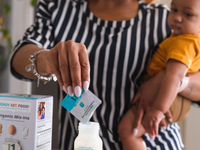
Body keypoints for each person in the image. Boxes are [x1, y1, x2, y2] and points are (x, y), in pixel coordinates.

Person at [10, 0, 200, 149]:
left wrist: (170, 81)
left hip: (154, 142)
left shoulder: (168, 19)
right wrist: (47, 60)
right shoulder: (58, 9)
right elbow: (19, 59)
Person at [117, 0, 200, 149]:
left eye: (188, 14)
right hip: (170, 98)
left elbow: (174, 77)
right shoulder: (185, 38)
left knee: (127, 131)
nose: (177, 17)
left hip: (163, 98)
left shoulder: (183, 43)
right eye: (174, 10)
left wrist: (158, 109)